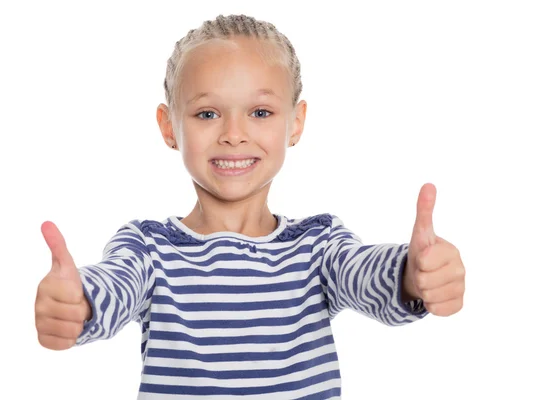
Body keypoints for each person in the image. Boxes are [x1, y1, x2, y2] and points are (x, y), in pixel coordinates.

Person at [35, 14, 466, 399]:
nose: (234, 134)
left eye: (260, 112)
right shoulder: (150, 248)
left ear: (295, 123)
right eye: (207, 114)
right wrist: (79, 304)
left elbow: (368, 275)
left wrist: (414, 275)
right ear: (169, 127)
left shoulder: (318, 245)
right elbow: (114, 286)